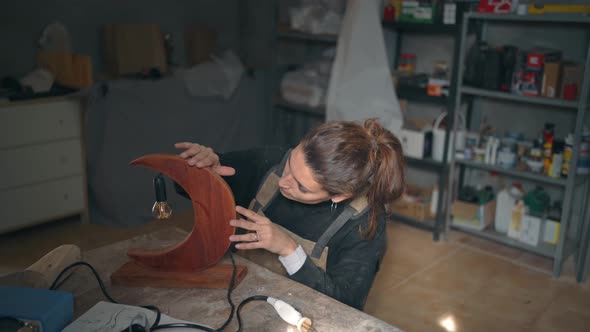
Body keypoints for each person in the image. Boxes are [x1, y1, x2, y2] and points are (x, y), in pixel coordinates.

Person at [175, 119, 405, 310]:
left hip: (302, 315)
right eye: (290, 165)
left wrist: (288, 249)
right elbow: (181, 187)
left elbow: (346, 302)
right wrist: (201, 172)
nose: (283, 182)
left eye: (302, 187)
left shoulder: (363, 224)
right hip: (236, 297)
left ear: (340, 196)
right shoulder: (268, 162)